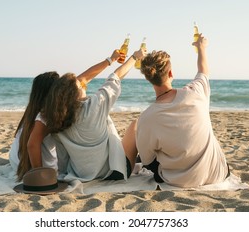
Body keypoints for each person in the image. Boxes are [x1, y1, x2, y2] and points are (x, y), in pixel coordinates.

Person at [135, 33, 229, 188]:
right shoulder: (196, 92)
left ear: (148, 78)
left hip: (178, 180)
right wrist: (201, 47)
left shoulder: (147, 117)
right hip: (216, 173)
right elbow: (203, 71)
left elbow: (147, 161)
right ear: (171, 73)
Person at [43, 47, 146, 182]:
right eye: (80, 85)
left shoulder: (57, 121)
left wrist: (65, 175)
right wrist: (135, 57)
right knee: (136, 124)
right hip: (114, 172)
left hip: (82, 175)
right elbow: (116, 77)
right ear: (74, 93)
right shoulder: (94, 106)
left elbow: (63, 159)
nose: (84, 85)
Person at [9, 71, 59, 181]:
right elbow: (32, 145)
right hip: (29, 164)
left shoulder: (32, 109)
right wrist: (39, 175)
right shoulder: (45, 115)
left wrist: (106, 62)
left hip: (16, 160)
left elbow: (81, 79)